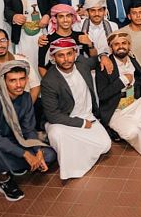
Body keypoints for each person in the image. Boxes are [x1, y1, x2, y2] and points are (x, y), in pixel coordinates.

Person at [0, 60, 56, 201]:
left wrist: (37, 151)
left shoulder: (26, 97)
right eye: (13, 80)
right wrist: (26, 154)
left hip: (17, 141)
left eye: (22, 79)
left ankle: (18, 166)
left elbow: (29, 129)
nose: (19, 85)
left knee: (49, 155)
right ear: (4, 82)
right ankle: (5, 180)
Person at [41, 38, 111, 179]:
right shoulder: (49, 80)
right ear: (53, 57)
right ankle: (71, 168)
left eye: (69, 54)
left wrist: (103, 56)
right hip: (64, 122)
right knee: (56, 133)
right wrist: (82, 123)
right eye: (61, 55)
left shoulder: (82, 64)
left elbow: (96, 59)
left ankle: (74, 149)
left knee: (106, 144)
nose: (66, 59)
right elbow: (53, 116)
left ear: (75, 53)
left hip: (88, 116)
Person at [96, 32, 141, 154]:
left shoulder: (132, 59)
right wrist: (123, 80)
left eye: (124, 43)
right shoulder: (104, 65)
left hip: (133, 102)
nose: (121, 46)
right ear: (111, 48)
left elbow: (140, 78)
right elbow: (102, 95)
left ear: (129, 45)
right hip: (116, 109)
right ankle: (117, 131)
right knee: (131, 132)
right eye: (116, 44)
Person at [0, 28, 41, 103]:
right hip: (0, 108)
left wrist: (27, 107)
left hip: (27, 104)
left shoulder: (22, 61)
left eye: (2, 40)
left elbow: (35, 86)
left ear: (8, 42)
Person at [118, 3, 141, 71]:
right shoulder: (122, 33)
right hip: (130, 72)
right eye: (134, 13)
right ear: (129, 16)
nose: (138, 16)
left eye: (140, 13)